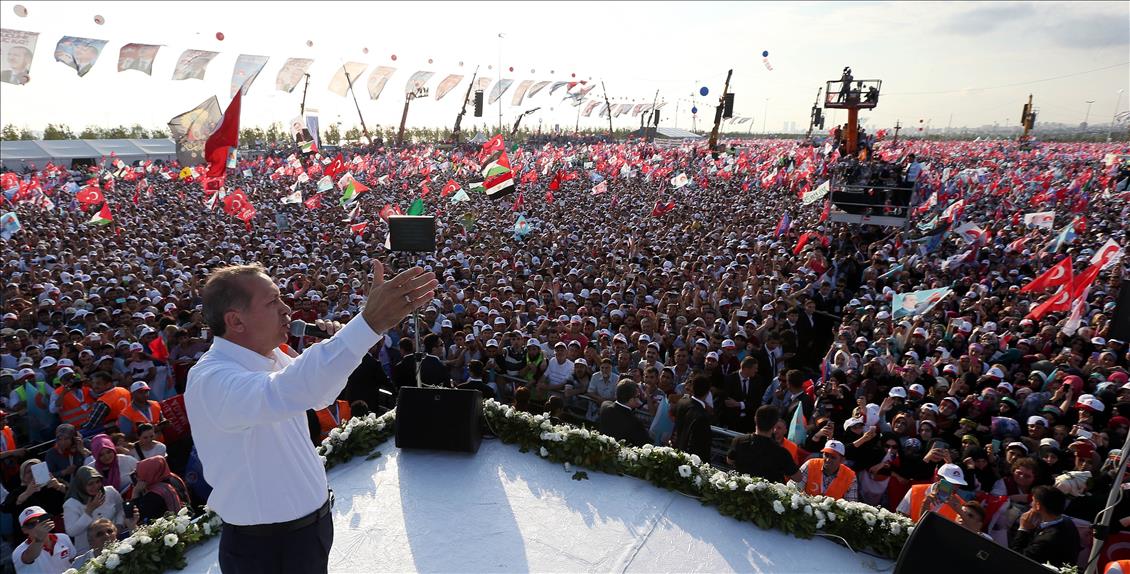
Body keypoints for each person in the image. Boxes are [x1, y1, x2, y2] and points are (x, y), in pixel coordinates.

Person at [185, 261, 435, 574]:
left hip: (306, 533)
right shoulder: (213, 379)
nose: (286, 308)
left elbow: (319, 393)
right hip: (266, 550)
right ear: (236, 321)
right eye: (273, 301)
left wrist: (342, 341)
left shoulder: (272, 356)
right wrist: (366, 324)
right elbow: (291, 389)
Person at [62, 466, 132, 555]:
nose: (95, 486)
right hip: (89, 551)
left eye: (98, 482)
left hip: (114, 541)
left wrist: (118, 525)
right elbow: (71, 531)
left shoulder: (110, 492)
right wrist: (89, 511)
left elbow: (120, 509)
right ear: (81, 485)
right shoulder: (71, 504)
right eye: (90, 484)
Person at [1010, 485, 1082, 567]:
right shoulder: (1067, 522)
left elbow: (1017, 558)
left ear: (1038, 506)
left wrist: (1023, 529)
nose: (1031, 504)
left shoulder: (1047, 539)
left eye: (1033, 501)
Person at [727, 405, 801, 483]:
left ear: (755, 419)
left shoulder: (739, 441)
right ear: (774, 425)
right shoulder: (781, 453)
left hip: (740, 491)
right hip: (765, 494)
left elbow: (730, 461)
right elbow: (798, 478)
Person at [897, 463, 968, 522]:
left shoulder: (961, 505)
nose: (954, 487)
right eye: (949, 482)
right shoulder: (916, 490)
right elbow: (899, 517)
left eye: (957, 484)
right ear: (937, 478)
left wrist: (961, 512)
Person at [12, 506, 76, 572]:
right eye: (32, 524)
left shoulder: (63, 538)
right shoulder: (18, 552)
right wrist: (39, 539)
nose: (38, 526)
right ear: (24, 530)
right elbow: (29, 558)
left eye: (41, 520)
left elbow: (73, 561)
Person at [792, 439, 858, 501]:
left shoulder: (850, 476)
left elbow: (851, 504)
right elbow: (794, 489)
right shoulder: (810, 464)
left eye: (833, 457)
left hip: (833, 512)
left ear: (842, 460)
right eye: (826, 455)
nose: (828, 459)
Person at [130, 456, 189, 523]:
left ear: (148, 473)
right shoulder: (174, 478)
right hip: (187, 519)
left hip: (170, 527)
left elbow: (137, 517)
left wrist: (135, 492)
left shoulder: (155, 494)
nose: (138, 477)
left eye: (139, 473)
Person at [671, 374, 713, 462]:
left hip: (675, 452)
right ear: (708, 392)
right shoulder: (702, 416)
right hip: (689, 461)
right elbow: (702, 446)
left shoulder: (681, 402)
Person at [596, 380, 650, 447]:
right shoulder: (635, 422)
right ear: (631, 400)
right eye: (638, 396)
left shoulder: (605, 406)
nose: (639, 399)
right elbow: (646, 444)